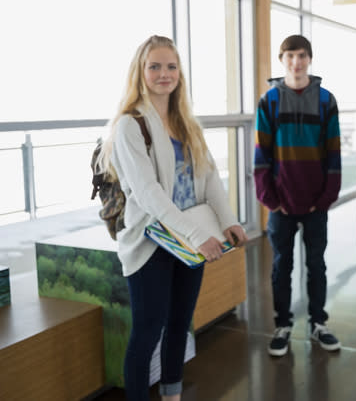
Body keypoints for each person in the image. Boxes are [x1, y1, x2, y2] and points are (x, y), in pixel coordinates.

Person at [97, 35, 249, 401]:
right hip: (152, 241)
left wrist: (228, 220)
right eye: (155, 66)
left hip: (191, 238)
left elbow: (210, 176)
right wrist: (196, 235)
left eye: (171, 66)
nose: (164, 74)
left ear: (180, 73)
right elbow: (148, 193)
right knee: (147, 331)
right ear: (140, 71)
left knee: (180, 324)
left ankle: (172, 394)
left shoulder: (185, 122)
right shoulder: (130, 125)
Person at [254, 34, 342, 357]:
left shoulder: (326, 100)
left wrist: (326, 197)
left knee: (316, 265)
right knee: (282, 266)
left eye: (302, 55)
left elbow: (334, 152)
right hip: (281, 205)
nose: (296, 61)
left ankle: (319, 323)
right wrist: (271, 199)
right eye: (290, 56)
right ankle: (283, 325)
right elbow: (261, 155)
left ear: (309, 58)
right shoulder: (270, 101)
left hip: (316, 202)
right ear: (282, 60)